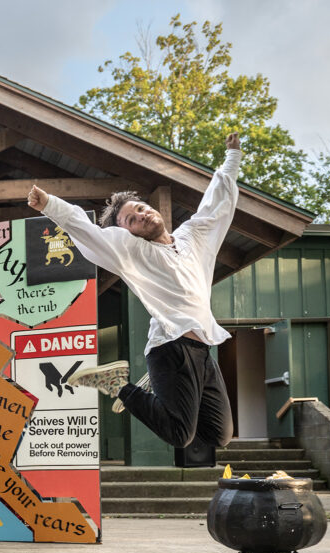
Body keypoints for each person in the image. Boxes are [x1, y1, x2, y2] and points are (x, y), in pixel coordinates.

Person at [26, 132, 242, 452]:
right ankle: (118, 385)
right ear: (128, 232)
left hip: (201, 348)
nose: (141, 215)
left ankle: (150, 385)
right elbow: (89, 233)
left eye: (140, 208)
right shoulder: (132, 251)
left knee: (219, 433)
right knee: (179, 434)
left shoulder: (192, 237)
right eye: (132, 219)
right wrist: (50, 205)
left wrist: (232, 157)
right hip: (169, 348)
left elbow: (217, 204)